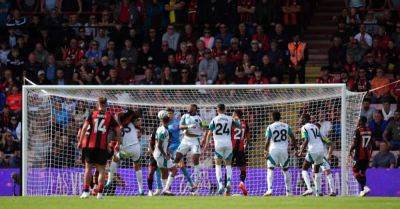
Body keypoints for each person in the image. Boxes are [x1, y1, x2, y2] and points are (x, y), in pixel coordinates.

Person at [78, 97, 121, 199]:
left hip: (90, 146)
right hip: (102, 147)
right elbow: (118, 130)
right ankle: (100, 194)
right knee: (102, 170)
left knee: (88, 169)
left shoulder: (92, 114)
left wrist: (80, 141)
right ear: (106, 104)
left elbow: (84, 128)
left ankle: (86, 192)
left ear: (98, 104)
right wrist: (118, 143)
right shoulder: (109, 116)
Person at [205, 104, 240, 196]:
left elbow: (209, 133)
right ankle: (228, 183)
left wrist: (207, 144)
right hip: (228, 144)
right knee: (228, 165)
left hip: (218, 145)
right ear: (225, 109)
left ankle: (220, 185)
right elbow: (238, 127)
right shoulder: (229, 118)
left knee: (218, 165)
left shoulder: (214, 119)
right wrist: (236, 119)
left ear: (217, 110)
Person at [106, 109, 144, 195]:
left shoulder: (117, 127)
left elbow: (119, 116)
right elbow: (138, 124)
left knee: (115, 159)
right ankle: (141, 190)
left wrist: (116, 144)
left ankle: (109, 181)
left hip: (126, 149)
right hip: (136, 148)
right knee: (137, 167)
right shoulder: (132, 124)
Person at [263, 111, 296, 196]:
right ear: (280, 117)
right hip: (284, 150)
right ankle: (289, 192)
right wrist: (294, 148)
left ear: (272, 118)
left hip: (273, 149)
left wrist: (265, 150)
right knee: (286, 170)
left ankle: (270, 189)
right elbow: (293, 137)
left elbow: (267, 140)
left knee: (270, 169)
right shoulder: (286, 126)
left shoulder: (270, 127)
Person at [174, 104, 204, 189]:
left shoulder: (199, 118)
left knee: (195, 159)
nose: (187, 108)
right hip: (186, 140)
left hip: (195, 140)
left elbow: (205, 126)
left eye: (189, 107)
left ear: (194, 108)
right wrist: (188, 126)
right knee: (177, 158)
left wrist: (204, 126)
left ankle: (196, 182)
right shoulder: (184, 116)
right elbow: (180, 126)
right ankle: (169, 176)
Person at [166, 108, 195, 192]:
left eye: (171, 113)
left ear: (173, 114)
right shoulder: (164, 123)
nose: (169, 115)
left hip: (176, 147)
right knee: (166, 167)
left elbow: (183, 128)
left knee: (181, 166)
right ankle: (165, 187)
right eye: (168, 113)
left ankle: (191, 184)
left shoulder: (176, 122)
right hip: (167, 148)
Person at [297, 114, 324, 196]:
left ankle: (309, 188)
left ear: (305, 119)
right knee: (316, 170)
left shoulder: (304, 127)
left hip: (313, 149)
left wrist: (301, 151)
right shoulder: (315, 126)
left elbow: (306, 139)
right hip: (321, 149)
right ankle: (318, 192)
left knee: (304, 169)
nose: (300, 120)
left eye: (301, 118)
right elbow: (320, 138)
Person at [153, 110, 178, 195]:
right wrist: (165, 155)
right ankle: (166, 189)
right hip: (161, 155)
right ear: (168, 121)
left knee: (164, 173)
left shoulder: (159, 129)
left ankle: (165, 190)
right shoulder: (164, 131)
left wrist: (166, 151)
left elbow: (161, 144)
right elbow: (159, 145)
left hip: (157, 154)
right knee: (174, 170)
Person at [349, 116, 373, 197]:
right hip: (367, 155)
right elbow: (371, 143)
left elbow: (355, 143)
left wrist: (350, 150)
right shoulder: (369, 130)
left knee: (355, 171)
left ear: (360, 121)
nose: (357, 122)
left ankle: (364, 187)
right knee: (362, 172)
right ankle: (363, 190)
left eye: (358, 120)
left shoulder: (358, 130)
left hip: (359, 155)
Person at [231, 109, 250, 196]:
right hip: (241, 149)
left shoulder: (231, 122)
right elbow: (248, 138)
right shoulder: (245, 123)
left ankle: (226, 188)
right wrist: (245, 145)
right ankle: (242, 182)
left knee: (228, 168)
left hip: (231, 148)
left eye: (232, 114)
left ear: (235, 114)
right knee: (243, 168)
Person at [315, 123, 336, 196]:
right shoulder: (312, 136)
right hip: (315, 158)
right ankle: (318, 192)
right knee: (316, 174)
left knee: (327, 173)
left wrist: (329, 155)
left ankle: (333, 191)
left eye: (317, 127)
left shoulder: (321, 136)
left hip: (322, 157)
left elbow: (332, 144)